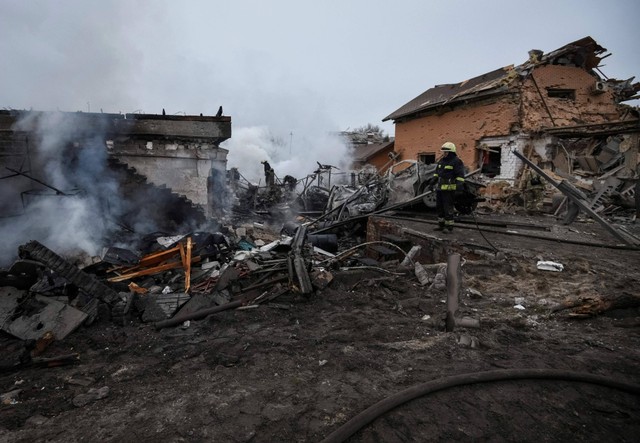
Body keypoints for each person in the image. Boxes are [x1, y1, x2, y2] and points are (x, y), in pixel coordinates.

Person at [433, 142, 465, 232]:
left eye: (446, 152)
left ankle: (449, 227)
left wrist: (459, 187)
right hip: (439, 189)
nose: (444, 153)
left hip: (449, 190)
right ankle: (441, 225)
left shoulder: (456, 161)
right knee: (439, 207)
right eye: (444, 152)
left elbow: (460, 176)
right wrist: (432, 182)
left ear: (451, 152)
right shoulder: (442, 161)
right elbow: (436, 174)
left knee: (448, 208)